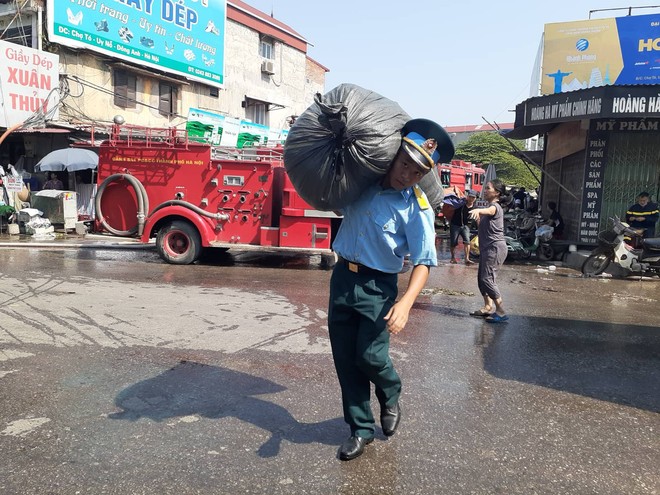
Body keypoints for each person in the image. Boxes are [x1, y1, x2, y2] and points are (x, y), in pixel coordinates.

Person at [328, 118, 454, 461]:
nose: (406, 175)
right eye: (404, 164)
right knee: (346, 361)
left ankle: (391, 391)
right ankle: (361, 429)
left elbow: (424, 261)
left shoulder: (416, 207)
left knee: (370, 357)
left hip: (377, 286)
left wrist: (406, 303)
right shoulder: (362, 183)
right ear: (395, 155)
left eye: (416, 172)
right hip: (342, 278)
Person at [468, 179, 509, 323]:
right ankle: (487, 306)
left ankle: (501, 311)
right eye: (485, 188)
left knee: (487, 279)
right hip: (487, 249)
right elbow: (483, 226)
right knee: (481, 279)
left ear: (497, 192)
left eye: (488, 188)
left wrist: (479, 210)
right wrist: (479, 217)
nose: (485, 190)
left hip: (495, 248)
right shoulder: (489, 208)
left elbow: (490, 210)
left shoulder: (495, 207)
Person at [449, 188, 477, 265]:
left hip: (466, 226)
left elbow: (477, 217)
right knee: (453, 242)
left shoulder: (475, 207)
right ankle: (452, 257)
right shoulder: (461, 203)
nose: (471, 199)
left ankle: (467, 259)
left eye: (473, 197)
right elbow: (451, 208)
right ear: (467, 196)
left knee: (467, 241)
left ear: (475, 198)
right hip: (455, 224)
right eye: (470, 197)